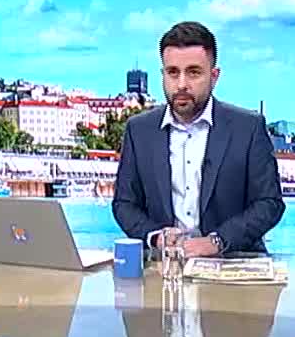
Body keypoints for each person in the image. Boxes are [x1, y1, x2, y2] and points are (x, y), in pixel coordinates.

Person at [111, 21, 285, 258]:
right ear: (163, 75)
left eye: (193, 72)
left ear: (214, 76)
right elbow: (124, 204)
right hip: (164, 265)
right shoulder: (139, 130)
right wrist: (156, 237)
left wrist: (218, 241)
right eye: (173, 72)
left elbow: (269, 203)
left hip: (232, 264)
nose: (181, 84)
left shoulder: (248, 128)